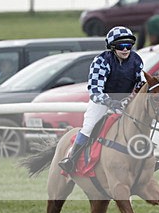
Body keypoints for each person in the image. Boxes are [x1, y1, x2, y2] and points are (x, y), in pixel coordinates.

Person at [58, 26, 144, 173]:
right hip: (102, 100)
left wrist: (134, 98)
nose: (125, 49)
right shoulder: (101, 61)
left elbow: (140, 82)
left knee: (144, 120)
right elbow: (95, 89)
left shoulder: (136, 60)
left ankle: (150, 157)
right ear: (112, 47)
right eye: (121, 46)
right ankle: (71, 159)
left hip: (125, 101)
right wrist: (109, 101)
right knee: (89, 126)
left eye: (128, 45)